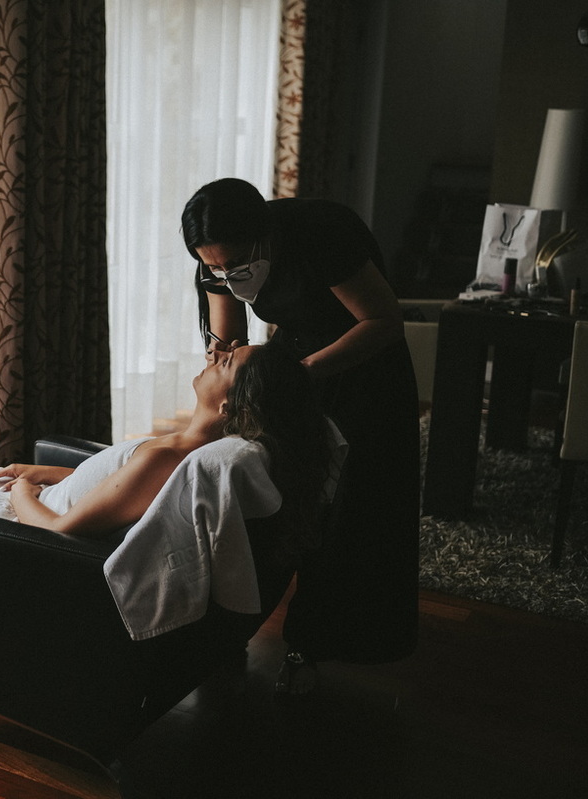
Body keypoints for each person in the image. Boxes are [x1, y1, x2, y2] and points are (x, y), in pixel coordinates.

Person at [0, 342, 339, 667]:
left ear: (230, 406)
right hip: (44, 500)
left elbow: (61, 530)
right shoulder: (184, 447)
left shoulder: (172, 459)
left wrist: (24, 493)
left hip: (33, 524)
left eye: (228, 361)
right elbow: (115, 488)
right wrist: (39, 472)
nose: (217, 352)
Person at [182, 177, 420, 694]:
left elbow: (384, 320)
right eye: (213, 268)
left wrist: (299, 374)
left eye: (235, 265)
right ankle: (234, 624)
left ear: (265, 237)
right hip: (293, 364)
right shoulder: (217, 257)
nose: (225, 276)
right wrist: (227, 369)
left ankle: (321, 643)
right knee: (285, 500)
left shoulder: (322, 233)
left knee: (352, 510)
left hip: (363, 366)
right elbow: (229, 339)